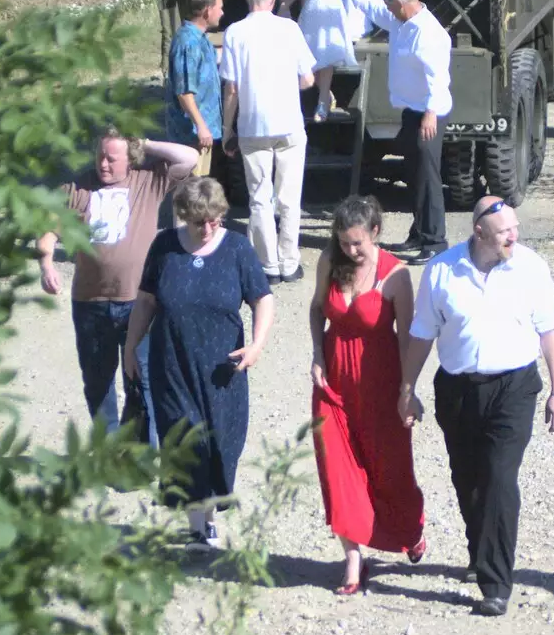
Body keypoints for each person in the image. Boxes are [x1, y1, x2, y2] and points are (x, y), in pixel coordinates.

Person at [398, 195, 554, 616]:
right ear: (479, 233)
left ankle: (496, 585)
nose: (514, 236)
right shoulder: (442, 270)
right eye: (504, 232)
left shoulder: (530, 267)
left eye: (514, 228)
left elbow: (550, 329)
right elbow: (422, 333)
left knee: (499, 476)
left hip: (514, 388)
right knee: (467, 479)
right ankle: (480, 551)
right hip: (457, 390)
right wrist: (407, 387)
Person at [124, 177, 275, 549]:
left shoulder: (238, 248)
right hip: (171, 362)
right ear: (183, 217)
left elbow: (262, 299)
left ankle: (206, 514)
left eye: (214, 220)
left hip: (223, 368)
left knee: (221, 443)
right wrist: (129, 347)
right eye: (198, 222)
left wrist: (256, 345)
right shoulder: (164, 246)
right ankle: (199, 526)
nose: (206, 229)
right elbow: (145, 301)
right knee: (185, 440)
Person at [38, 127, 199, 446]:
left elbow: (190, 157)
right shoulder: (76, 187)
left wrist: (146, 143)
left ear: (130, 159)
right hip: (89, 302)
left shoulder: (148, 180)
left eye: (112, 158)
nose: (104, 164)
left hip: (138, 303)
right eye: (100, 156)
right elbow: (46, 232)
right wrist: (45, 264)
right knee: (97, 382)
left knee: (142, 378)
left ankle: (143, 449)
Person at [308, 196, 427, 596]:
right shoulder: (330, 261)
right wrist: (317, 354)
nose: (351, 251)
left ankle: (412, 529)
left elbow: (410, 337)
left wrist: (408, 391)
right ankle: (354, 562)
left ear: (375, 232)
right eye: (344, 242)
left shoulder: (396, 275)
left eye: (357, 243)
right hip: (333, 380)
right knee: (338, 470)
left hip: (380, 381)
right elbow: (315, 310)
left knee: (390, 471)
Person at [327, 0, 451, 263]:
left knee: (427, 176)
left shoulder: (428, 33)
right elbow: (370, 4)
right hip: (412, 110)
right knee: (414, 174)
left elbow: (438, 77)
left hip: (428, 113)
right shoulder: (400, 21)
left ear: (403, 2)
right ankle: (419, 232)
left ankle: (435, 241)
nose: (388, 12)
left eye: (391, 7)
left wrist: (431, 114)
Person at [219, 0, 317, 285]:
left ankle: (268, 264)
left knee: (259, 197)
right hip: (288, 124)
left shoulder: (234, 32)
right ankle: (290, 263)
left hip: (252, 125)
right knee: (289, 196)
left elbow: (231, 88)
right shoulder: (290, 28)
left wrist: (226, 127)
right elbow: (308, 79)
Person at [294, 0, 365, 123]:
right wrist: (286, 9)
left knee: (326, 58)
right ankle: (327, 95)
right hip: (310, 14)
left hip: (329, 13)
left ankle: (323, 102)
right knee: (311, 62)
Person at [167, 0, 225, 175]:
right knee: (191, 188)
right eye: (220, 8)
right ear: (207, 12)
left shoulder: (201, 39)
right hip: (191, 134)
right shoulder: (188, 43)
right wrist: (201, 126)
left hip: (202, 131)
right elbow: (184, 93)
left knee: (199, 186)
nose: (222, 13)